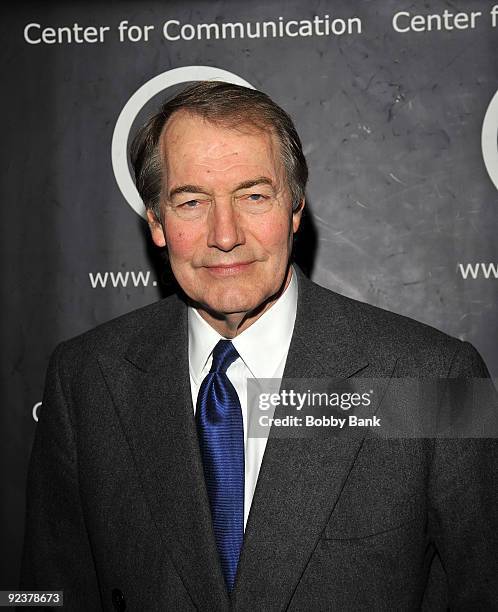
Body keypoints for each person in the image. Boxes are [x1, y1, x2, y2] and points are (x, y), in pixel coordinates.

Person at [21, 81, 497, 611]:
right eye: (192, 201)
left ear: (295, 207)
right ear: (156, 222)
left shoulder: (433, 378)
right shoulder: (87, 378)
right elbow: (47, 593)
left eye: (253, 195)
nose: (225, 235)